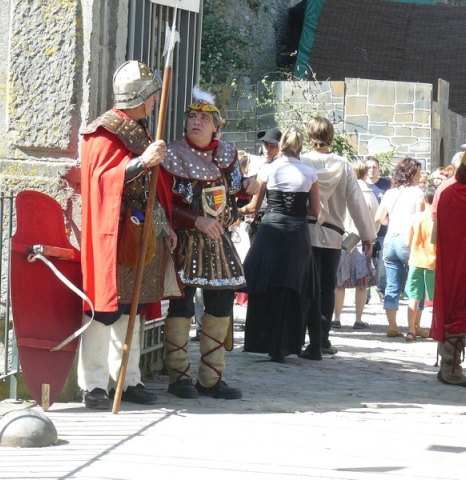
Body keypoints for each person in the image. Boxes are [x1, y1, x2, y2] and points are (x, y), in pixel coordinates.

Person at [78, 60, 173, 410]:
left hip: (142, 231)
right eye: (151, 97)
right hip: (113, 232)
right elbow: (103, 179)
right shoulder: (105, 130)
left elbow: (154, 187)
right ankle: (95, 385)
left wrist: (165, 229)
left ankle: (129, 378)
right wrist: (141, 162)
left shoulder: (141, 130)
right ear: (140, 96)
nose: (154, 103)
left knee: (132, 308)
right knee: (104, 310)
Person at [158, 87, 258, 400]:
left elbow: (238, 191)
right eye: (192, 116)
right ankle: (179, 376)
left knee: (220, 306)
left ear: (216, 125)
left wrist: (249, 189)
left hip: (218, 243)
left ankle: (211, 378)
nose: (196, 121)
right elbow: (162, 203)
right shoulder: (172, 156)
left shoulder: (227, 154)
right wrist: (194, 220)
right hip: (183, 242)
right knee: (181, 306)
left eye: (204, 117)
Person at [240, 128, 321, 362]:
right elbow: (315, 211)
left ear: (282, 144)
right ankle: (287, 344)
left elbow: (254, 207)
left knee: (266, 283)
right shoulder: (309, 172)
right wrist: (295, 211)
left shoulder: (269, 169)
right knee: (293, 286)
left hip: (271, 229)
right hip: (297, 233)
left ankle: (262, 339)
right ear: (301, 146)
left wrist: (234, 210)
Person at [300, 117, 376, 355]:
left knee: (303, 287)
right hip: (332, 237)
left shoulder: (301, 162)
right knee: (325, 287)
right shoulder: (343, 166)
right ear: (331, 136)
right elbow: (356, 202)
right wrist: (366, 235)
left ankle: (299, 336)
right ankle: (321, 340)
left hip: (305, 233)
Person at [430, 156, 466, 387]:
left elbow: (435, 231)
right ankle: (451, 368)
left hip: (447, 258)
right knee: (463, 307)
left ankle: (447, 365)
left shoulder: (446, 190)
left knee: (450, 304)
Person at [374, 157, 424, 338]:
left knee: (392, 285)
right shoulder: (417, 193)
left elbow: (378, 218)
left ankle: (393, 327)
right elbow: (419, 219)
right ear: (412, 174)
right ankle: (414, 325)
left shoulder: (390, 192)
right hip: (408, 240)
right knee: (416, 283)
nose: (420, 175)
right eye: (418, 172)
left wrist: (392, 221)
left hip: (390, 239)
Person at [332, 160, 379, 330]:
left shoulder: (342, 189)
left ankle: (336, 317)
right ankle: (358, 319)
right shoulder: (368, 193)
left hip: (343, 239)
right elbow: (374, 218)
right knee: (361, 283)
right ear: (365, 173)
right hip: (361, 241)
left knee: (340, 282)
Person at [404, 185, 436, 342]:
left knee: (414, 296)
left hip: (416, 260)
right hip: (433, 262)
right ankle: (437, 328)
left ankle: (410, 330)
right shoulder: (438, 218)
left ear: (425, 199)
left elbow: (408, 241)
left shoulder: (416, 218)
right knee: (436, 298)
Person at [365, 156, 392, 302]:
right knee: (365, 262)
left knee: (382, 262)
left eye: (374, 167)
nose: (371, 170)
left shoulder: (386, 184)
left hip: (383, 230)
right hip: (366, 230)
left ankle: (381, 290)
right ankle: (365, 294)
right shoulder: (361, 185)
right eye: (369, 167)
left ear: (378, 168)